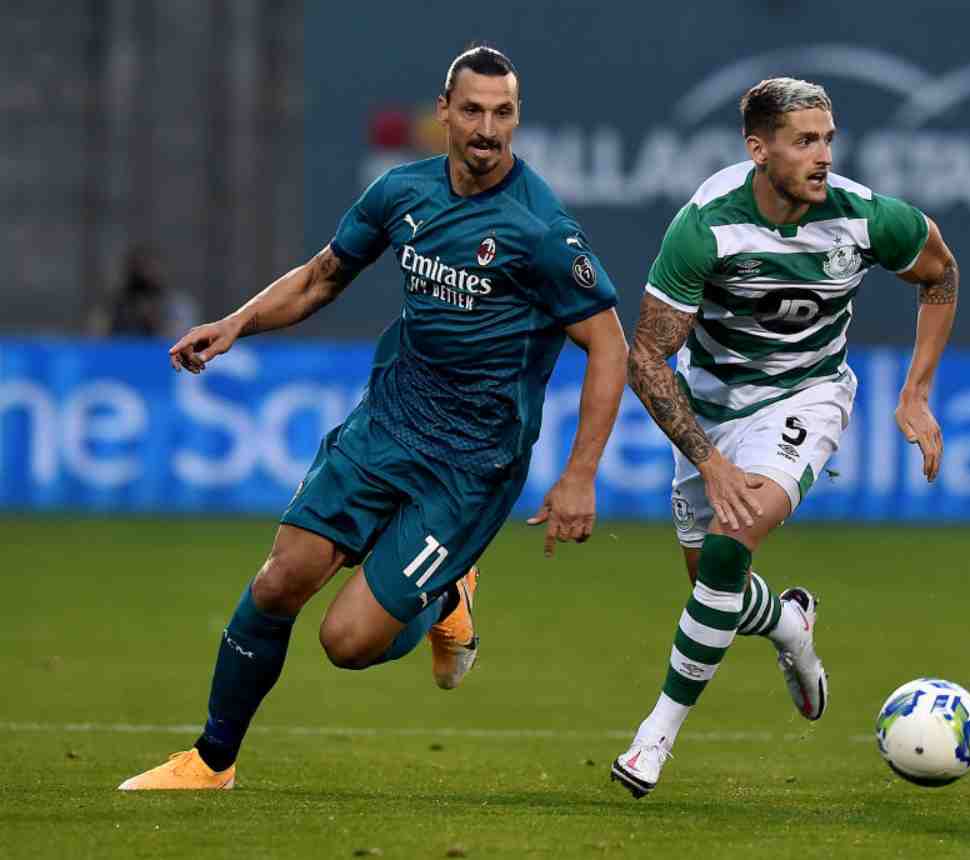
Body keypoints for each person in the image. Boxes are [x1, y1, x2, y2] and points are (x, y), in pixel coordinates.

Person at [118, 46, 628, 790]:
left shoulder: (540, 229)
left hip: (469, 467)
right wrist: (235, 323)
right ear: (445, 111)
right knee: (277, 581)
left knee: (347, 641)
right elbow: (324, 276)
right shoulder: (402, 192)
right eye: (474, 110)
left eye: (504, 113)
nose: (488, 129)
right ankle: (210, 761)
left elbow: (608, 347)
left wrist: (580, 475)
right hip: (386, 425)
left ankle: (450, 594)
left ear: (516, 118)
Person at [611, 77, 959, 798]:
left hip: (808, 395)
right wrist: (707, 461)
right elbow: (645, 356)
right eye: (805, 141)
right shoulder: (707, 224)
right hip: (710, 406)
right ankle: (790, 623)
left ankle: (655, 736)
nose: (823, 155)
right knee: (716, 585)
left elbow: (941, 272)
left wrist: (917, 391)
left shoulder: (866, 217)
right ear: (758, 149)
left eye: (828, 138)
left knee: (732, 541)